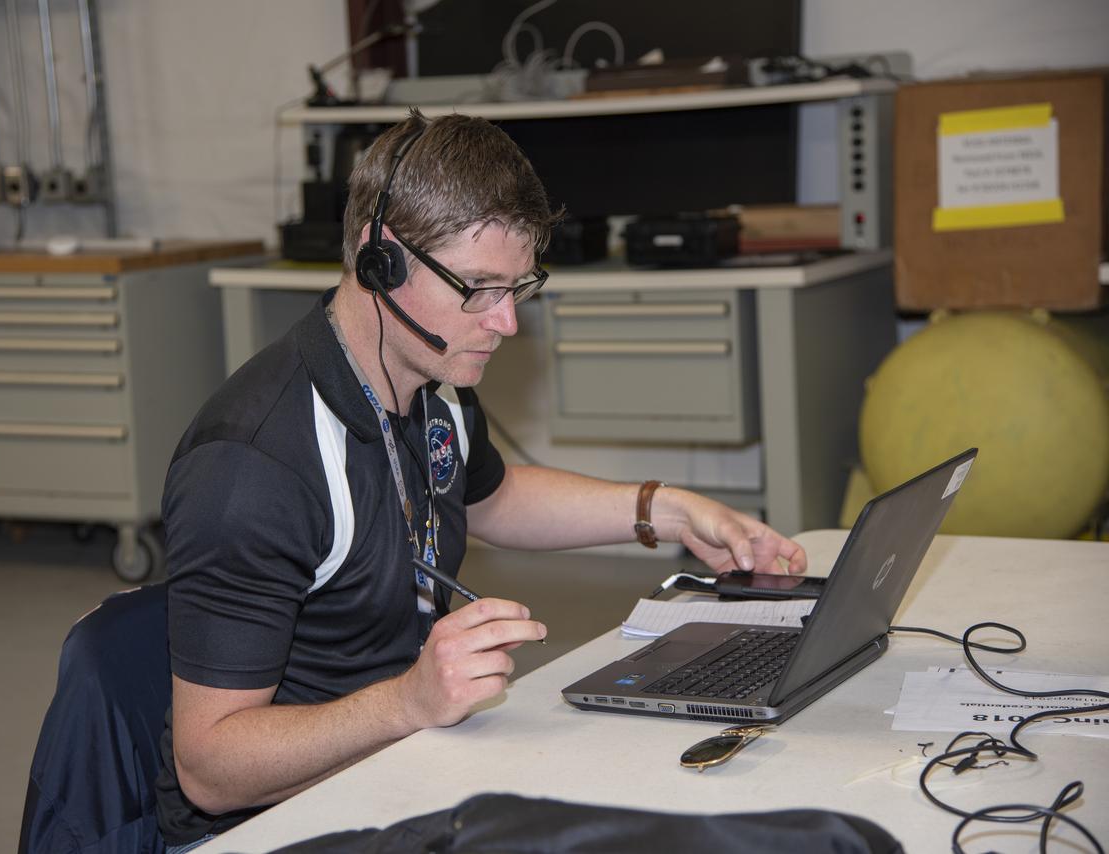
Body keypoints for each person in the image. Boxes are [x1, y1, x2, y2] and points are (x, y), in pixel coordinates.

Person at [155, 110, 808, 849]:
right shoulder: (253, 465)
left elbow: (493, 497)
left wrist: (671, 511)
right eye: (479, 288)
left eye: (518, 287)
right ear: (380, 263)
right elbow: (209, 768)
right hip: (272, 825)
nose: (506, 323)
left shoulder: (430, 382)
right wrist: (407, 703)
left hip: (401, 767)